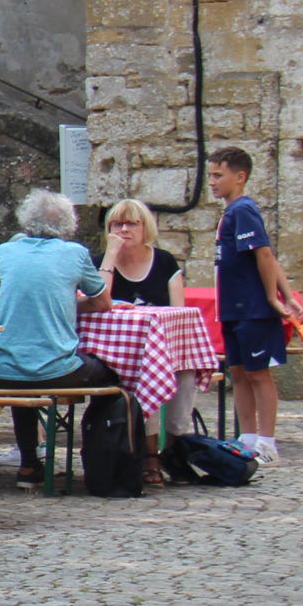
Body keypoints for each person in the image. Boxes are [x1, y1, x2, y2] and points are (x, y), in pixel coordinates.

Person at [0, 190, 119, 489]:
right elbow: (103, 302)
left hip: (3, 369)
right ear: (69, 224)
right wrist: (68, 301)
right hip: (56, 369)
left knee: (23, 373)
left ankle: (29, 466)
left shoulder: (6, 251)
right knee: (115, 376)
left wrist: (62, 300)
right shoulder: (75, 254)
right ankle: (106, 455)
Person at [209, 146, 303, 463]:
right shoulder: (229, 213)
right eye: (210, 175)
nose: (212, 181)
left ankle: (267, 442)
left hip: (252, 308)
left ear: (240, 177)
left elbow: (264, 255)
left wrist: (277, 297)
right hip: (231, 308)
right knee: (237, 372)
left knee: (258, 373)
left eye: (218, 175)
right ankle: (247, 438)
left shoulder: (244, 210)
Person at [99, 197, 193, 485]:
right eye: (118, 223)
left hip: (163, 346)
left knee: (186, 373)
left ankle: (178, 446)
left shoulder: (163, 261)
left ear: (145, 227)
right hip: (115, 351)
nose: (124, 229)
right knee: (142, 371)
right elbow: (99, 301)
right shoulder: (100, 263)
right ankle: (149, 455)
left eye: (131, 223)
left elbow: (179, 312)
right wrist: (111, 255)